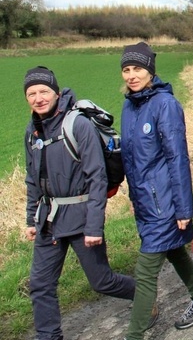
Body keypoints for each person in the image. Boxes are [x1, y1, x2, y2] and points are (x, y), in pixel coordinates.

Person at [23, 66, 136, 340]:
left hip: (82, 216)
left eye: (44, 91)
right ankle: (49, 336)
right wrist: (30, 218)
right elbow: (32, 177)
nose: (38, 98)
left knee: (102, 281)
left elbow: (97, 178)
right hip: (49, 219)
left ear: (56, 93)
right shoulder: (33, 131)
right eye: (31, 93)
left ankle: (145, 295)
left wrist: (94, 226)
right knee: (40, 284)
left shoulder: (78, 124)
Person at [119, 42, 193, 339]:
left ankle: (133, 335)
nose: (132, 75)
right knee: (174, 250)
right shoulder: (129, 105)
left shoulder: (165, 104)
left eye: (138, 69)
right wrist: (134, 197)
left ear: (151, 71)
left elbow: (178, 158)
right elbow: (131, 160)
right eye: (126, 69)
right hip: (146, 202)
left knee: (146, 272)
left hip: (166, 203)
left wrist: (184, 208)